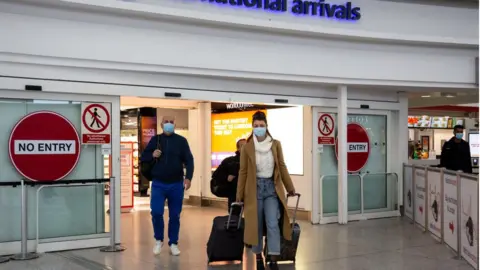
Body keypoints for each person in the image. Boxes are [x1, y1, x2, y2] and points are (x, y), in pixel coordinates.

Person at [236, 111, 296, 270]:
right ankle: (258, 257)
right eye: (256, 126)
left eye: (261, 125)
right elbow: (243, 172)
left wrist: (290, 187)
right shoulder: (247, 148)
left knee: (272, 223)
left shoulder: (275, 144)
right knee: (256, 224)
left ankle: (273, 258)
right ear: (252, 127)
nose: (259, 128)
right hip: (253, 189)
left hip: (271, 188)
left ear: (266, 126)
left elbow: (281, 166)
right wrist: (239, 195)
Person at [140, 116, 194, 256]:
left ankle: (173, 242)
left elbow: (189, 160)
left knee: (175, 215)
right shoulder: (156, 140)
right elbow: (144, 157)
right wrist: (152, 154)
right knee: (157, 212)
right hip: (158, 183)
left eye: (171, 122)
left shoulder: (181, 141)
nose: (168, 124)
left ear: (175, 124)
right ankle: (158, 240)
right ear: (161, 124)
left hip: (176, 184)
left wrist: (188, 177)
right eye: (166, 122)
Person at [224, 139, 246, 216]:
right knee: (234, 217)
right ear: (238, 148)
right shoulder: (230, 162)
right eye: (242, 146)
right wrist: (227, 177)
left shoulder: (253, 161)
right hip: (234, 192)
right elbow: (217, 176)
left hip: (250, 192)